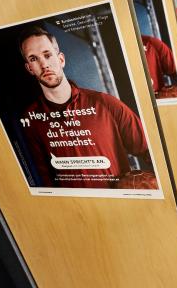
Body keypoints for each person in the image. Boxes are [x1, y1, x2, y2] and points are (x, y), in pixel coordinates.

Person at [18, 26, 150, 189]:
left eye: (47, 55)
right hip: (77, 211)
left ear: (61, 59)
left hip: (121, 208)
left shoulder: (105, 104)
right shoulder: (30, 120)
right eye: (33, 59)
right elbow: (43, 182)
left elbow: (149, 151)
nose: (44, 64)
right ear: (29, 68)